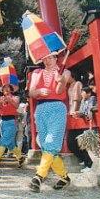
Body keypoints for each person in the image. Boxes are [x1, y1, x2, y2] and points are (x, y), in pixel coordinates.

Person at [28, 54, 71, 192]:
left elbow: (59, 91)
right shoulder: (36, 72)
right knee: (45, 144)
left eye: (51, 57)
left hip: (57, 108)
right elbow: (31, 92)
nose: (47, 60)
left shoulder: (65, 71)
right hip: (41, 108)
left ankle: (38, 177)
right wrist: (39, 91)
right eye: (45, 58)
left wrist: (61, 80)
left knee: (51, 141)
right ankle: (64, 177)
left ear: (56, 58)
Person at [0, 57, 25, 168]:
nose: (5, 90)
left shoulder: (15, 97)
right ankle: (20, 157)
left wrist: (9, 99)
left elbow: (16, 105)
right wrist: (1, 102)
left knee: (3, 140)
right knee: (10, 144)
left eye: (7, 88)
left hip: (11, 121)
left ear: (10, 89)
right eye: (3, 88)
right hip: (2, 122)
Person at [68, 87, 97, 172]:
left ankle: (89, 163)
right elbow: (82, 111)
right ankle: (85, 160)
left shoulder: (92, 99)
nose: (81, 94)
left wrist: (80, 113)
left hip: (90, 125)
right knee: (72, 143)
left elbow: (89, 112)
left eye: (83, 92)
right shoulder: (83, 101)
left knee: (82, 144)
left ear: (88, 93)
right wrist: (77, 113)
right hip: (82, 124)